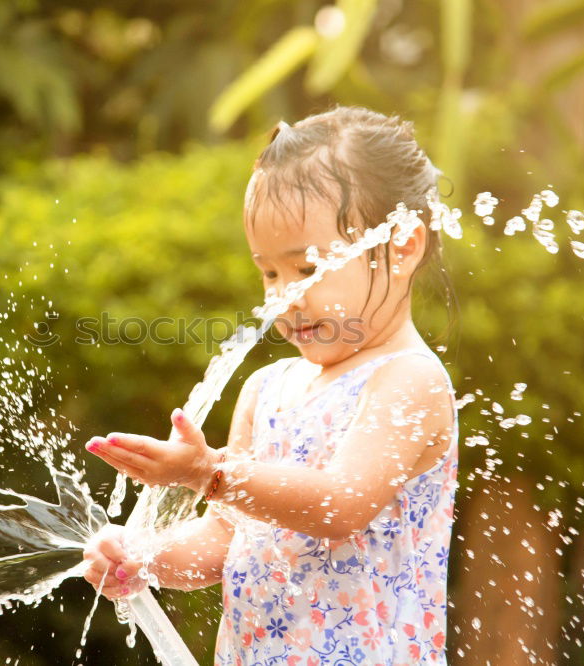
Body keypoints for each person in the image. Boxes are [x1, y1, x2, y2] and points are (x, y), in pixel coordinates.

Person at [82, 106, 459, 665]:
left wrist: (207, 472)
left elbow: (339, 505)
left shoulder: (408, 380)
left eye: (308, 268)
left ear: (401, 246)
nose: (286, 295)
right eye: (270, 272)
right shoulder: (268, 388)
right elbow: (222, 542)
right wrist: (143, 558)